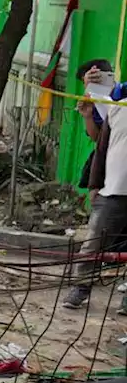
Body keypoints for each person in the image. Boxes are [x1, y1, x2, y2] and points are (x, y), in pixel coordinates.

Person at [64, 60, 127, 310]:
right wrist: (94, 184)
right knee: (94, 243)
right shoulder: (118, 103)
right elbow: (101, 147)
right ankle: (80, 288)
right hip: (114, 189)